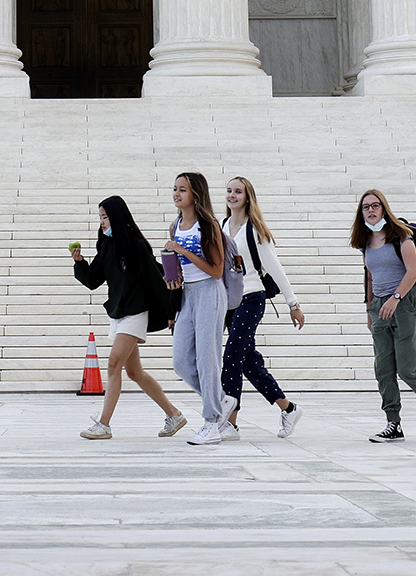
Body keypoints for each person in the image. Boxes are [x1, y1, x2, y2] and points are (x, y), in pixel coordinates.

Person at [69, 195, 180, 439]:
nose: (102, 222)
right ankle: (174, 414)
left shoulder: (136, 246)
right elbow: (92, 280)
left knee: (113, 364)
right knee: (134, 372)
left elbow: (155, 279)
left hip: (136, 311)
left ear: (117, 217)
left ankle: (104, 424)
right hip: (119, 313)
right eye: (100, 217)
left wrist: (171, 311)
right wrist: (79, 263)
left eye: (105, 217)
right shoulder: (107, 247)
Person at [351, 187, 416, 441]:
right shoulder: (366, 242)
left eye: (375, 205)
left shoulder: (402, 237)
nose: (371, 210)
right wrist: (369, 308)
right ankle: (393, 424)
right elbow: (370, 276)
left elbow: (413, 272)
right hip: (379, 306)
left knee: (406, 368)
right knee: (383, 369)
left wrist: (395, 299)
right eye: (366, 207)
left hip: (405, 304)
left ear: (384, 208)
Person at [218, 176, 305, 437]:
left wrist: (293, 304)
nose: (232, 195)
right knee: (249, 363)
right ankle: (289, 409)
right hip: (229, 302)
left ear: (247, 197)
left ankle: (230, 423)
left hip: (251, 298)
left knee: (231, 357)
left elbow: (275, 268)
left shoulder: (254, 230)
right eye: (229, 191)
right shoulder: (222, 225)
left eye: (238, 192)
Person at [165, 171, 229, 443]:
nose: (177, 194)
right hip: (186, 294)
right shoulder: (175, 225)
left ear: (196, 195)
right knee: (180, 361)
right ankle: (221, 401)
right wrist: (173, 275)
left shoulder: (208, 224)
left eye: (183, 189)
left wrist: (183, 251)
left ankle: (212, 422)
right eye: (176, 189)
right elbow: (181, 265)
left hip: (209, 292)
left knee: (207, 358)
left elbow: (216, 270)